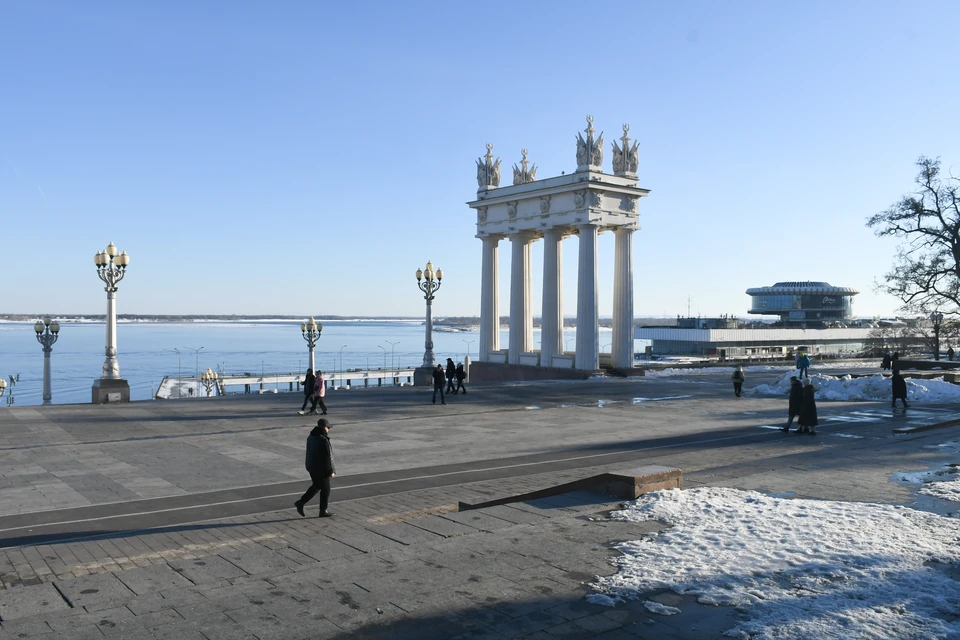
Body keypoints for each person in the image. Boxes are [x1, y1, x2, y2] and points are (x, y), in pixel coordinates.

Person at [294, 418, 336, 518]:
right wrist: (331, 471)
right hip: (321, 469)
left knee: (317, 486)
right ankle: (322, 510)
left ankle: (302, 502)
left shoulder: (311, 436)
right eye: (328, 427)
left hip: (311, 466)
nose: (328, 430)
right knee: (325, 489)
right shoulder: (323, 439)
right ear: (324, 428)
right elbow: (327, 457)